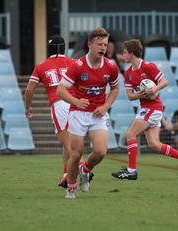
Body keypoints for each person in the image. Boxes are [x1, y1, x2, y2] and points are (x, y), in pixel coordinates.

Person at [111, 39, 178, 181]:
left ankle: (132, 170)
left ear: (131, 53)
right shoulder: (128, 73)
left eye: (124, 52)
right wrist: (141, 94)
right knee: (153, 144)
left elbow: (165, 81)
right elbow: (131, 97)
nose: (122, 55)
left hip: (153, 107)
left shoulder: (148, 66)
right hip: (146, 108)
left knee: (130, 134)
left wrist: (153, 89)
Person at [56, 28, 119, 199]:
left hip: (98, 113)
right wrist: (76, 101)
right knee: (76, 153)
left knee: (100, 151)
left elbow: (114, 89)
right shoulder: (77, 66)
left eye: (105, 44)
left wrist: (106, 105)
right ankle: (71, 188)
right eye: (99, 44)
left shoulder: (111, 66)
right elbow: (61, 90)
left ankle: (85, 170)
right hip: (78, 113)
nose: (103, 47)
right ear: (90, 44)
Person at [24, 35, 91, 189]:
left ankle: (83, 168)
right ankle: (66, 176)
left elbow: (29, 89)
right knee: (68, 145)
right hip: (75, 104)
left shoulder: (41, 66)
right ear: (64, 48)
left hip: (59, 104)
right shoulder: (74, 62)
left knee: (69, 145)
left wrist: (27, 108)